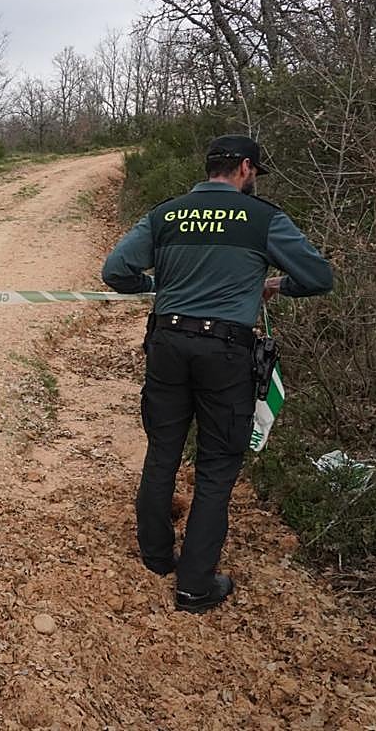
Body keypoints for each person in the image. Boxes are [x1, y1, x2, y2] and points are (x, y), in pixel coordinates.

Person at [102, 134, 333, 614]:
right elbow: (318, 278)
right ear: (245, 168)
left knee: (163, 451)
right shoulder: (264, 219)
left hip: (166, 343)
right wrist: (274, 283)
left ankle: (156, 557)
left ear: (209, 167)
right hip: (225, 351)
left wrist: (157, 282)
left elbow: (115, 272)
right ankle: (194, 586)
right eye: (255, 172)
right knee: (217, 465)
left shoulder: (166, 213)